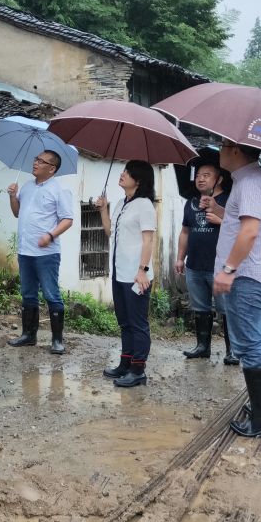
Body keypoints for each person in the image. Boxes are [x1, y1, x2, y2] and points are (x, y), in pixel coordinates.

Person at [214, 142, 261, 438]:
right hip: (252, 275)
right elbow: (239, 223)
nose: (218, 151)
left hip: (247, 276)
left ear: (235, 150)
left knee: (249, 345)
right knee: (255, 341)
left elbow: (249, 231)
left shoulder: (251, 183)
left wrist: (229, 269)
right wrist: (218, 209)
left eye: (222, 145)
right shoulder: (249, 181)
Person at [5, 149, 74, 354]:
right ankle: (29, 335)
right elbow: (18, 213)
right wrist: (12, 196)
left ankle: (57, 340)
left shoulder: (59, 190)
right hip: (25, 250)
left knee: (51, 294)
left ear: (52, 168)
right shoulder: (26, 187)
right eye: (35, 159)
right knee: (28, 294)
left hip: (47, 253)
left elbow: (67, 219)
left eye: (41, 161)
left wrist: (50, 236)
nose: (35, 163)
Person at [96, 160, 157, 387]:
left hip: (136, 275)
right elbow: (110, 231)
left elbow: (148, 240)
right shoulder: (123, 202)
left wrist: (143, 271)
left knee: (138, 322)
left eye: (127, 172)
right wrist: (104, 210)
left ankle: (138, 369)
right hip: (120, 272)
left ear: (138, 181)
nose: (122, 174)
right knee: (124, 321)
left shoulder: (145, 205)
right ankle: (125, 363)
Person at [175, 163, 238, 364]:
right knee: (200, 308)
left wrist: (221, 220)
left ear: (219, 179)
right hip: (194, 265)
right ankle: (203, 347)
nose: (200, 179)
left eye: (207, 175)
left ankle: (233, 351)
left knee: (226, 309)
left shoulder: (229, 201)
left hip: (220, 267)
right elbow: (185, 231)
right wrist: (179, 257)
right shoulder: (191, 202)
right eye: (198, 175)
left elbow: (242, 229)